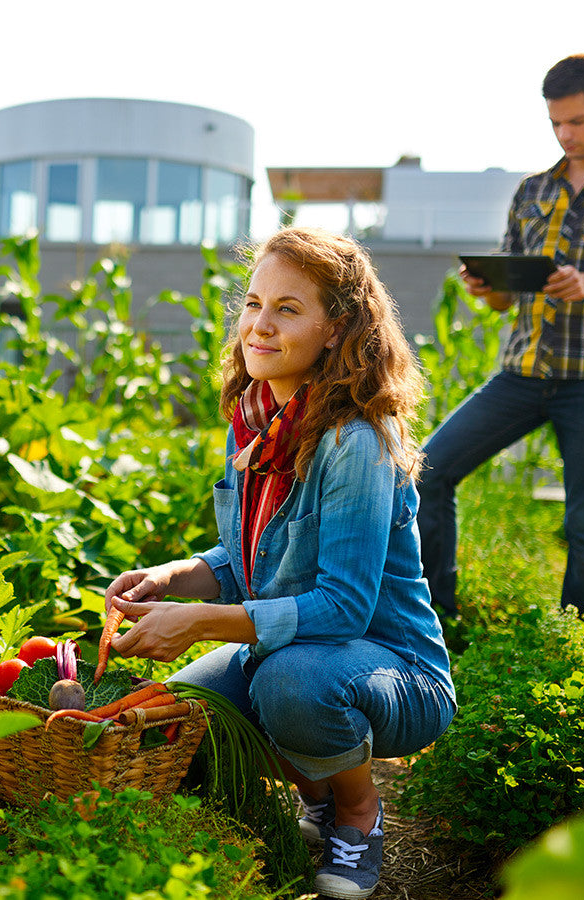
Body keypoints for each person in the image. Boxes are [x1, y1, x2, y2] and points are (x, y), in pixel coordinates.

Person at [104, 227, 456, 900]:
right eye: (254, 304)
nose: (259, 326)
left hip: (394, 669)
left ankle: (355, 812)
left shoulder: (354, 441)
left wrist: (200, 623)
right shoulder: (259, 421)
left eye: (287, 309)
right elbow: (247, 560)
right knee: (184, 716)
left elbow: (343, 608)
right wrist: (174, 579)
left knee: (289, 683)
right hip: (299, 652)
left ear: (336, 328)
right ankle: (316, 785)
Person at [418, 54, 584, 623]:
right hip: (522, 374)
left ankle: (578, 646)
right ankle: (434, 621)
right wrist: (487, 287)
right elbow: (506, 298)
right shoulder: (532, 190)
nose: (566, 135)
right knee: (426, 470)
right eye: (556, 124)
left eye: (578, 121)